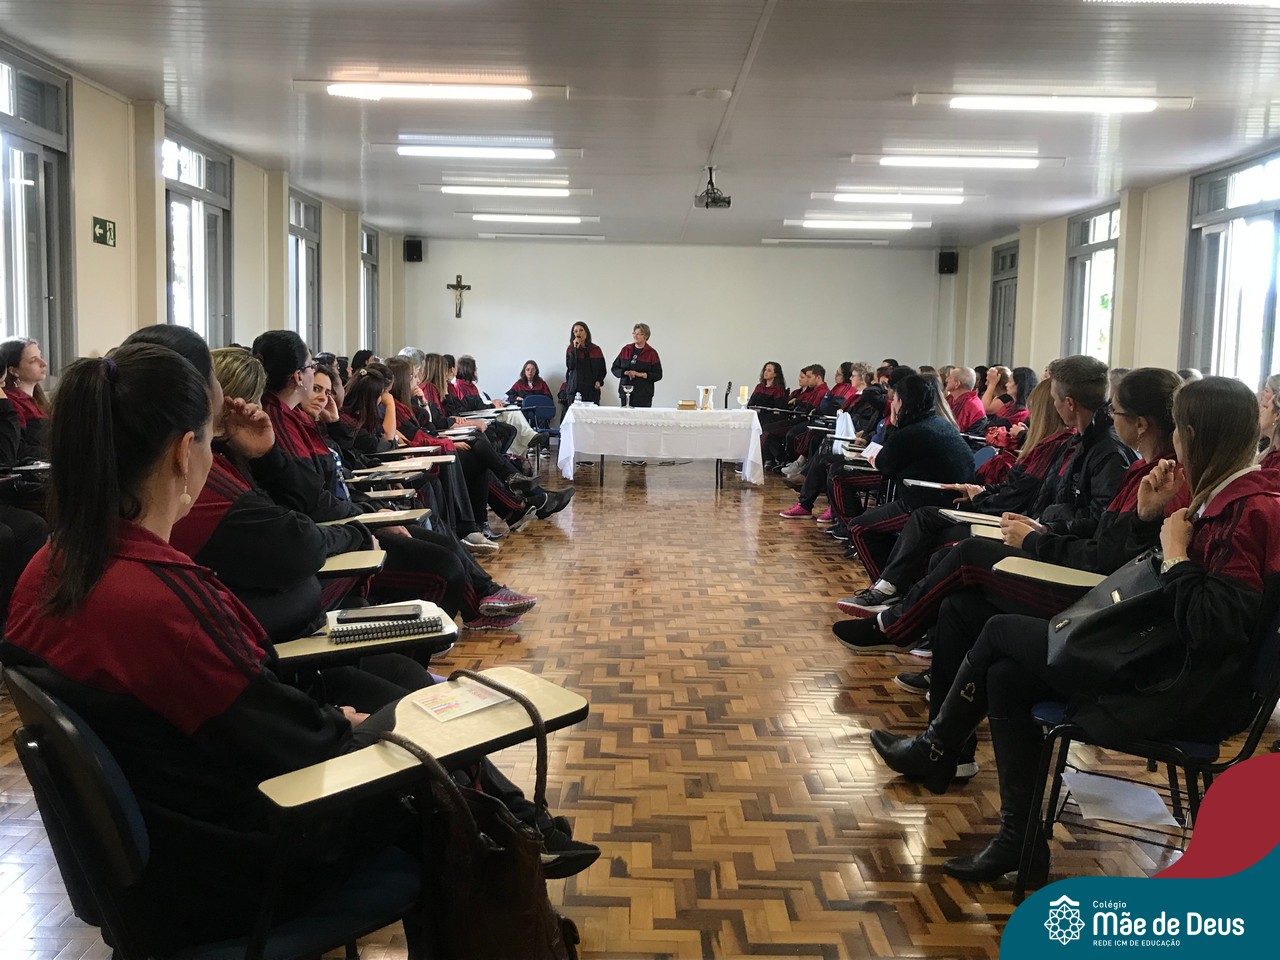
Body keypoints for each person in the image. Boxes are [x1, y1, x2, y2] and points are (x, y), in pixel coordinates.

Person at [869, 376, 1280, 885]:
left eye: (1180, 430)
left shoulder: (1249, 509)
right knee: (1005, 674)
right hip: (1160, 656)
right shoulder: (1223, 496)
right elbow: (1137, 568)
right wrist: (1146, 519)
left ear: (1192, 434)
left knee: (998, 630)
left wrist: (1175, 555)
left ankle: (937, 750)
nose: (1174, 439)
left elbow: (1213, 627)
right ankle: (1017, 842)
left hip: (1182, 689)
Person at [0, 337, 51, 460]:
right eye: (33, 360)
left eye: (41, 356)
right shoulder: (11, 403)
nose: (44, 363)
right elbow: (20, 449)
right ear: (14, 371)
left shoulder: (39, 402)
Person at [611, 323, 662, 408]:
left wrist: (640, 374)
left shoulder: (651, 353)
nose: (635, 336)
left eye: (639, 334)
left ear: (646, 336)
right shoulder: (625, 350)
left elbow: (658, 374)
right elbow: (614, 368)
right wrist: (625, 373)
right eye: (634, 333)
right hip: (625, 393)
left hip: (643, 395)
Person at [565, 322, 606, 406]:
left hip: (592, 389)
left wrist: (599, 381)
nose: (578, 333)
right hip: (575, 389)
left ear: (586, 333)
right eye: (576, 331)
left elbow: (602, 369)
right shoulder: (571, 349)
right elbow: (570, 366)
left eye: (581, 330)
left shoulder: (595, 349)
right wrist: (576, 350)